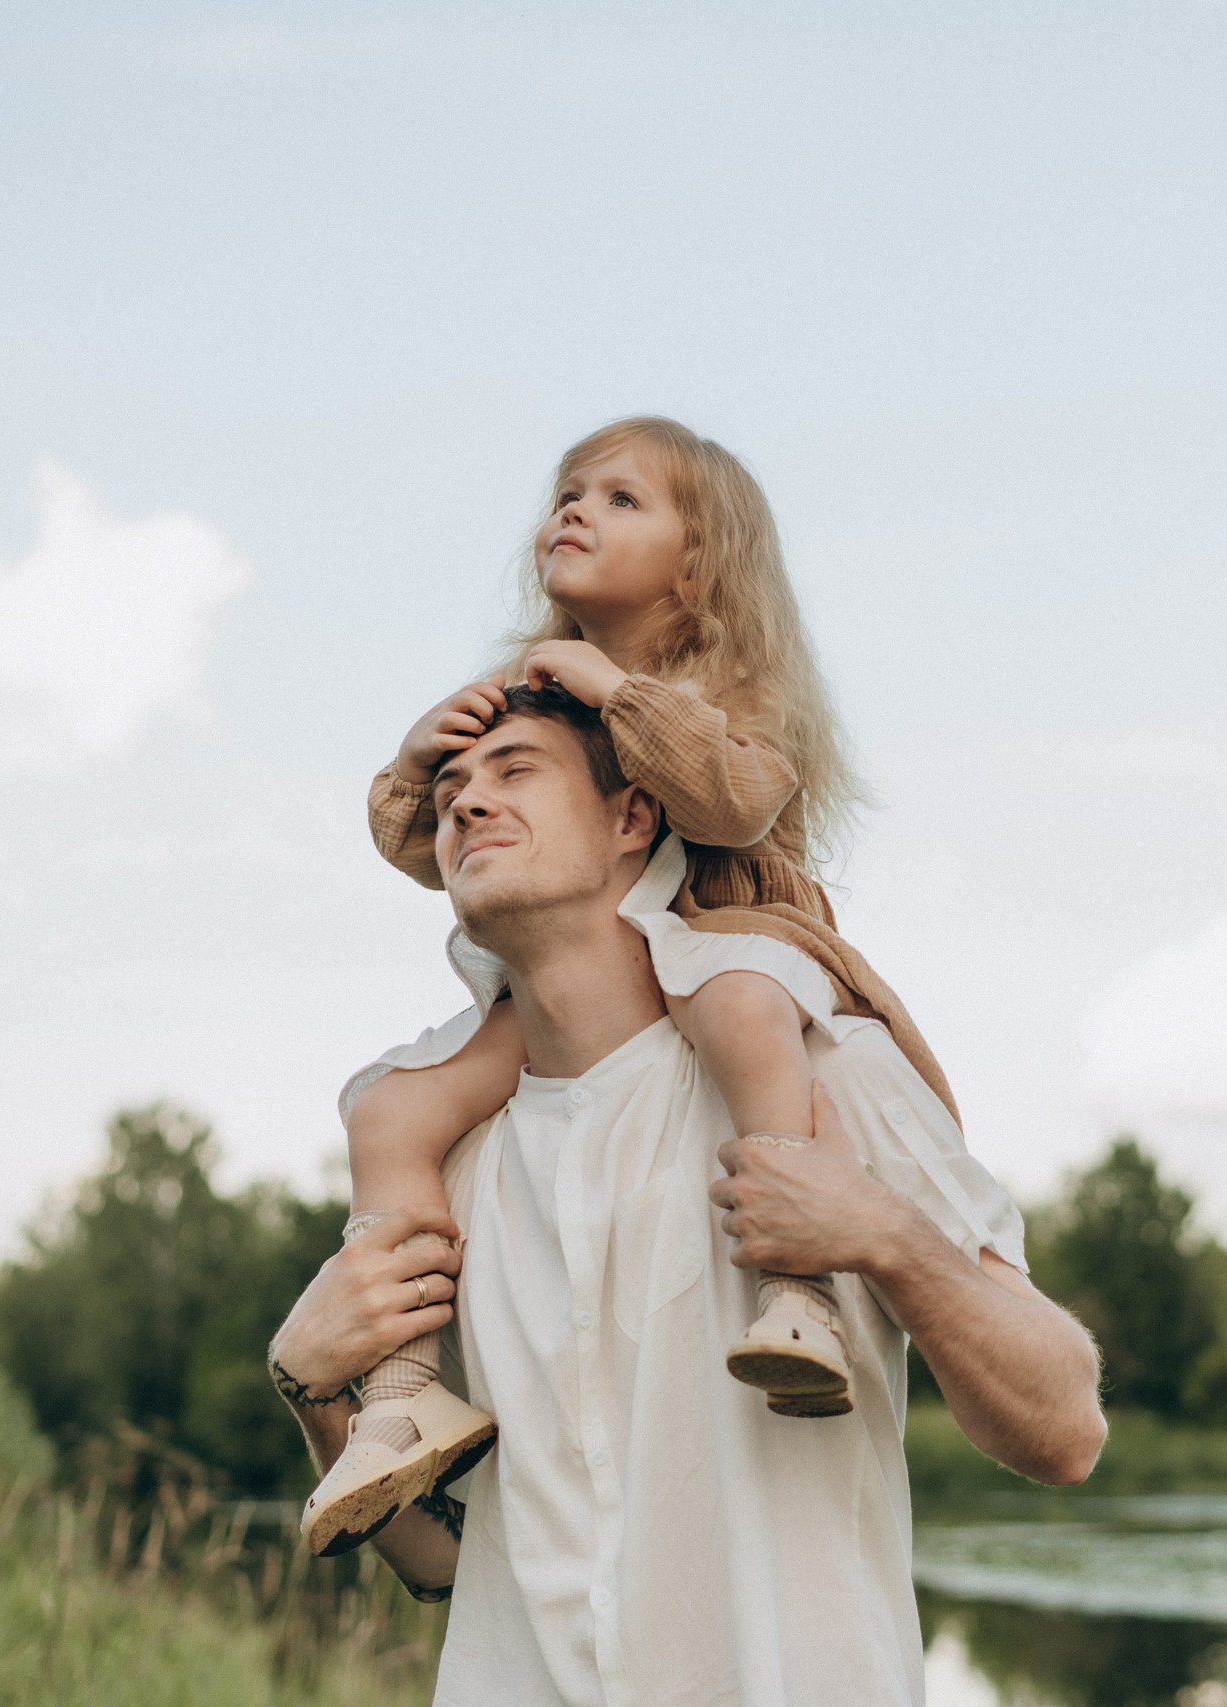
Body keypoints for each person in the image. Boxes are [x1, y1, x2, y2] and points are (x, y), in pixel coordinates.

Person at [270, 686, 1104, 1704]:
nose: (465, 805)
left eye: (514, 770)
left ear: (633, 819)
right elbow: (441, 1562)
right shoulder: (452, 1171)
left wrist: (884, 1236)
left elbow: (1064, 1429)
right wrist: (316, 1393)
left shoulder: (822, 1076)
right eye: (448, 789)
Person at [304, 416, 964, 1554]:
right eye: (568, 491)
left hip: (718, 947)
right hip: (581, 989)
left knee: (747, 1011)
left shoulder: (724, 684)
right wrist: (419, 762)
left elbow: (734, 803)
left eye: (619, 498)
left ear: (701, 561)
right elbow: (436, 852)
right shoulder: (520, 687)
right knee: (390, 1106)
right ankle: (405, 1391)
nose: (574, 510)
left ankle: (795, 1297)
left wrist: (619, 696)